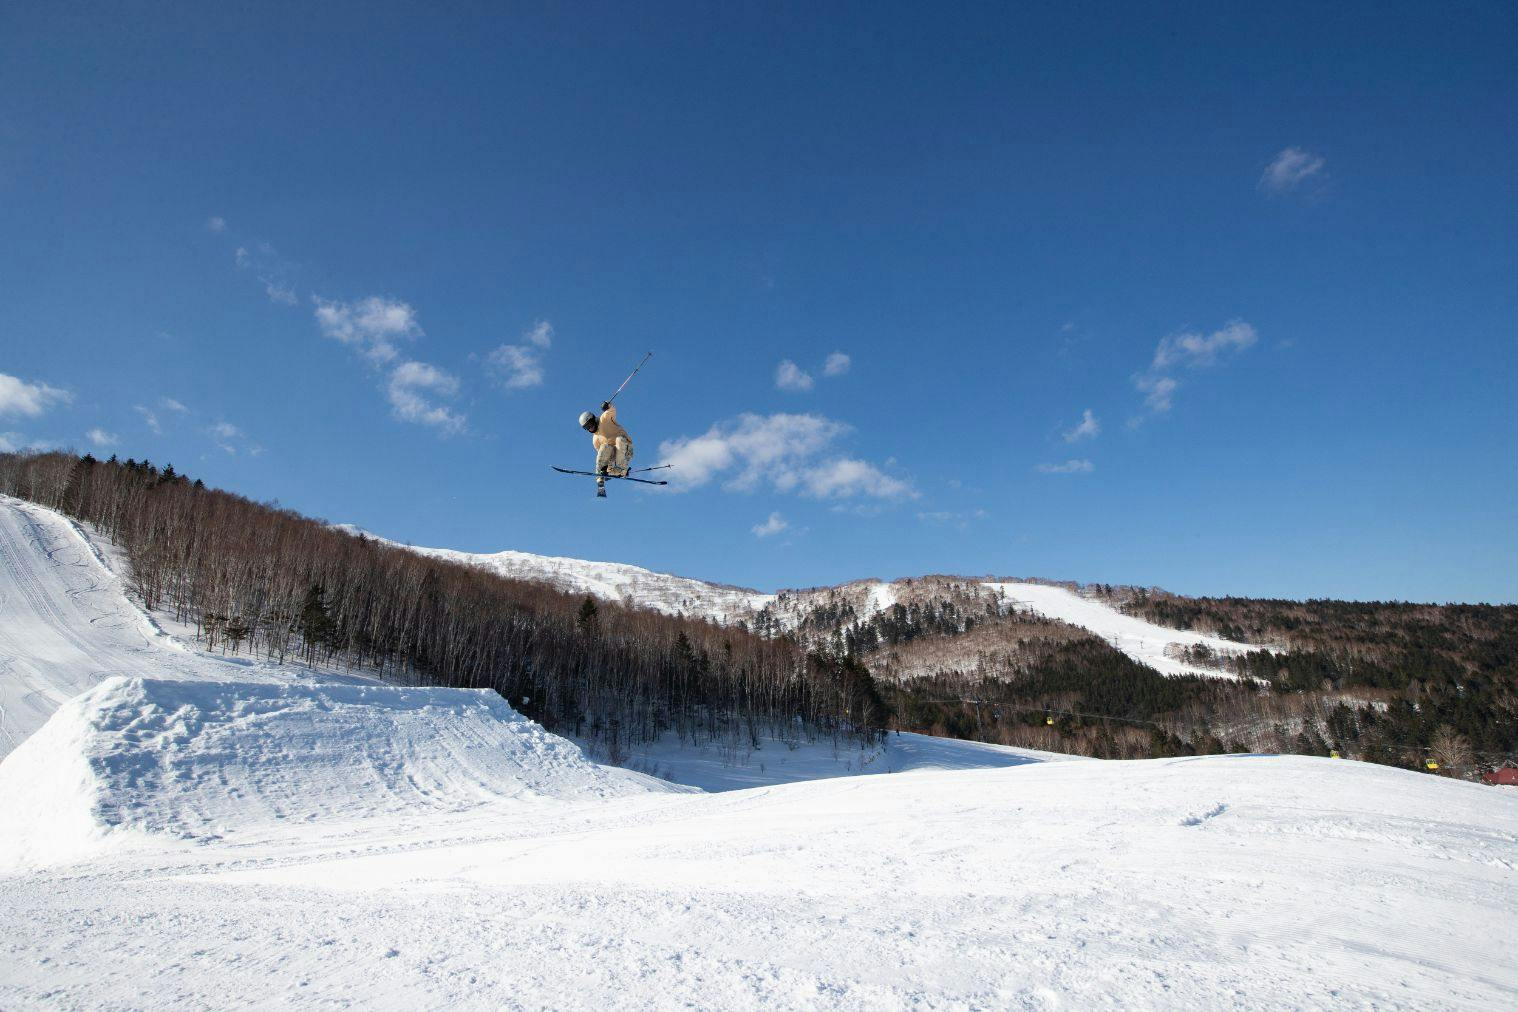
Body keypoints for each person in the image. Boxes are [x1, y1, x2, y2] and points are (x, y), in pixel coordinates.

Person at [578, 401, 634, 496]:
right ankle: (602, 478)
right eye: (586, 427)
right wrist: (604, 469)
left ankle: (622, 469)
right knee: (604, 447)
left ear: (593, 419)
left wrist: (607, 406)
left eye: (590, 424)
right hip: (614, 457)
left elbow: (612, 410)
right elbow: (601, 456)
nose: (590, 428)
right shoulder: (595, 439)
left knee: (619, 440)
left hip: (626, 449)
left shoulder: (604, 419)